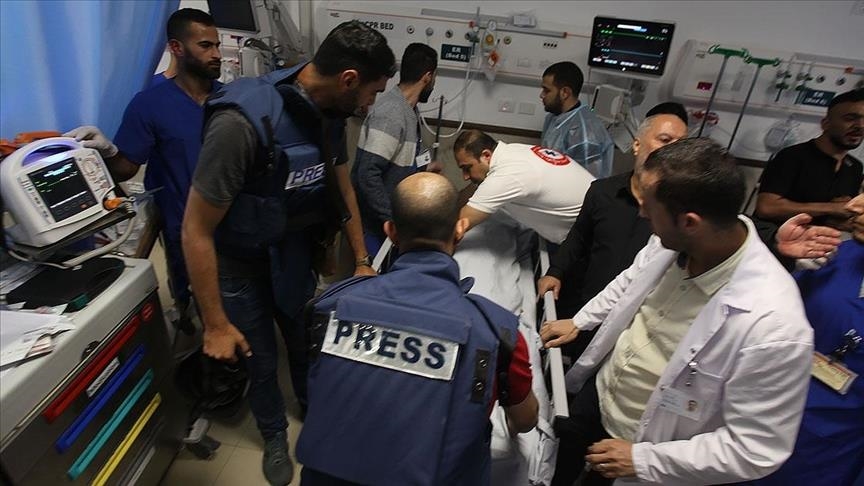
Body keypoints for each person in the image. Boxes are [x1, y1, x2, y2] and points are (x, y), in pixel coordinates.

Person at [181, 21, 395, 485]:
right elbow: (195, 229)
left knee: (305, 345)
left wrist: (361, 260)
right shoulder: (241, 122)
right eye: (373, 92)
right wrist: (214, 324)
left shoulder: (329, 114)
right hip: (238, 265)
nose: (371, 104)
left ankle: (313, 410)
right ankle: (274, 435)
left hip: (292, 255)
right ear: (349, 80)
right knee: (260, 360)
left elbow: (343, 190)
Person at [540, 138, 814, 486]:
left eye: (648, 207)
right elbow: (631, 279)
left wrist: (643, 460)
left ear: (689, 222)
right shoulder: (673, 240)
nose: (641, 213)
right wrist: (580, 321)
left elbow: (755, 448)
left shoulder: (774, 326)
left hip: (646, 446)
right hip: (601, 395)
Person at [296, 172, 539, 485]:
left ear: (391, 232)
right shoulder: (497, 334)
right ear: (460, 229)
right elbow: (525, 420)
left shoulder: (329, 306)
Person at [64, 8, 222, 320]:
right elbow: (127, 167)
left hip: (235, 229)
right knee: (200, 310)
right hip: (185, 229)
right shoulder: (150, 103)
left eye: (216, 45)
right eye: (206, 46)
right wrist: (108, 152)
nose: (216, 54)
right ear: (176, 48)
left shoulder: (230, 98)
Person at [538, 104, 690, 332]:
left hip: (634, 320)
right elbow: (578, 236)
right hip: (584, 302)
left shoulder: (679, 214)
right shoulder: (603, 192)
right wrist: (555, 271)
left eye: (682, 144)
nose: (674, 150)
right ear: (637, 145)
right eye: (665, 140)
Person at [747, 192, 864, 486]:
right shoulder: (837, 255)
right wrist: (783, 263)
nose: (853, 205)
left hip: (822, 458)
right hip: (751, 420)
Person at [352, 42, 440, 256]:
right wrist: (394, 220)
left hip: (388, 223)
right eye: (434, 78)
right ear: (428, 77)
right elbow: (367, 174)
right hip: (375, 226)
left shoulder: (410, 111)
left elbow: (399, 160)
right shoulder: (391, 113)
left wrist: (424, 170)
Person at [453, 129, 595, 245]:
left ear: (486, 155)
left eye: (467, 168)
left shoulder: (508, 174)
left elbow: (458, 226)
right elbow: (476, 192)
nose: (465, 176)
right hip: (596, 211)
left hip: (593, 233)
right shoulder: (513, 151)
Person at [755, 88, 863, 230]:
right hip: (772, 238)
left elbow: (839, 214)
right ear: (825, 124)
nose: (860, 126)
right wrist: (830, 208)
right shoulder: (791, 157)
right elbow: (767, 208)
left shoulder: (854, 167)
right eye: (850, 118)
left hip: (819, 241)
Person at [540, 61, 614, 178]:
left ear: (565, 92)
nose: (542, 95)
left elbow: (588, 181)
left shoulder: (586, 134)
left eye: (546, 90)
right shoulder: (553, 118)